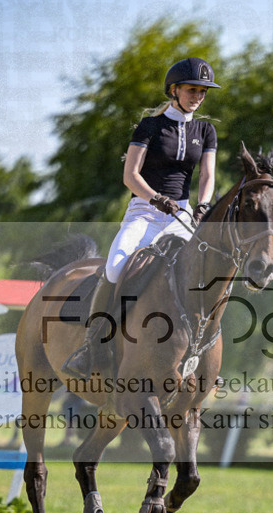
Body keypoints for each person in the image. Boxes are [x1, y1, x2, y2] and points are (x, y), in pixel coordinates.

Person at [62, 57, 220, 380]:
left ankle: (202, 353)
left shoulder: (206, 131)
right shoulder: (150, 126)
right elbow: (130, 175)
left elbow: (207, 176)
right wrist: (156, 199)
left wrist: (202, 205)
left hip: (182, 215)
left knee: (205, 270)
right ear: (174, 90)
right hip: (145, 212)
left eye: (203, 92)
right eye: (192, 90)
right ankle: (92, 345)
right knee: (115, 264)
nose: (198, 97)